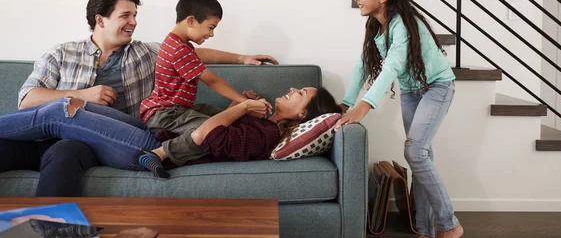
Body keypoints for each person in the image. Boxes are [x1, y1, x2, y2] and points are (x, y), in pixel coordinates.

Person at [0, 0, 277, 193]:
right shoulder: (61, 53)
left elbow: (195, 55)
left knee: (66, 136)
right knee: (56, 117)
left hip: (103, 141)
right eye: (126, 15)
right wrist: (83, 95)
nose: (134, 21)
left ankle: (53, 229)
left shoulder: (145, 52)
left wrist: (242, 58)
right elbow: (27, 101)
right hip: (48, 138)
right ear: (101, 20)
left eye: (135, 15)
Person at [335, 0, 463, 238]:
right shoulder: (377, 25)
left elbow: (392, 65)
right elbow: (363, 65)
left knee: (415, 153)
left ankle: (449, 225)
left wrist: (364, 106)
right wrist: (346, 102)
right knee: (422, 155)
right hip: (411, 91)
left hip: (437, 87)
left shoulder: (402, 24)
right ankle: (426, 230)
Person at [0, 86, 340, 174]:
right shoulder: (262, 121)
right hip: (156, 132)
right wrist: (242, 107)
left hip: (149, 148)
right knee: (81, 106)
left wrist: (238, 109)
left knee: (62, 113)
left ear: (303, 113)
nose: (293, 89)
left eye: (301, 94)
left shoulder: (267, 135)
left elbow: (210, 137)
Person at [137, 0, 269, 176]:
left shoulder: (178, 44)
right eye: (211, 27)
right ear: (191, 21)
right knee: (214, 133)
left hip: (176, 110)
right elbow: (212, 81)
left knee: (222, 117)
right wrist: (243, 101)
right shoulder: (178, 50)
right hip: (164, 114)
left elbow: (211, 56)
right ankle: (158, 154)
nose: (212, 34)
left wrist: (243, 58)